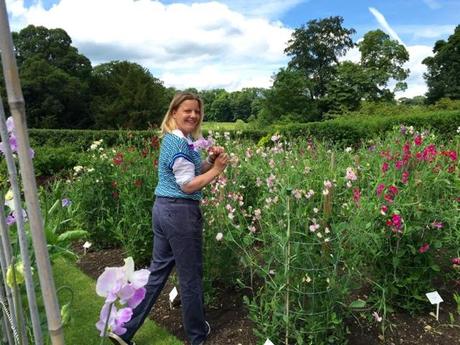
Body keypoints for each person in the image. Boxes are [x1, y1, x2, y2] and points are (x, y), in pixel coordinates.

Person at [108, 92, 228, 345]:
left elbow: (191, 171)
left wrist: (209, 161)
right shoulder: (179, 144)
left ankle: (124, 330)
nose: (193, 115)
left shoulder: (179, 141)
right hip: (180, 213)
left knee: (157, 272)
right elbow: (187, 185)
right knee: (190, 277)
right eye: (187, 110)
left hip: (164, 210)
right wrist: (217, 170)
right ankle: (197, 336)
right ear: (174, 112)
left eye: (196, 111)